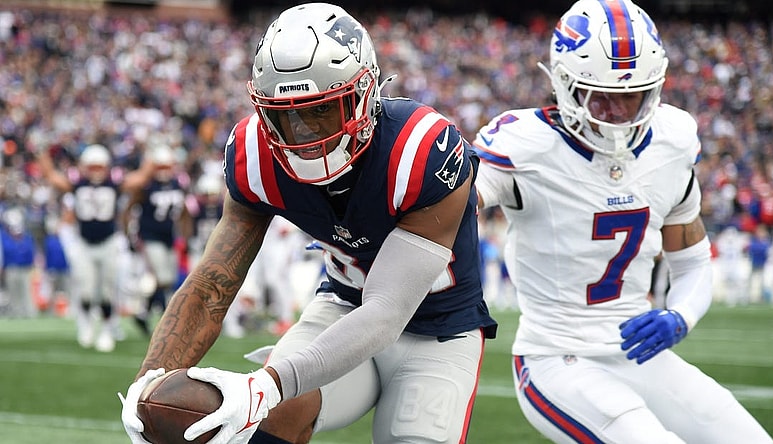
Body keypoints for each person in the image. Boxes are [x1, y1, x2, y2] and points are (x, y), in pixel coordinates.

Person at [120, 4, 497, 444]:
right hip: (341, 306)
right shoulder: (255, 155)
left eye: (321, 111)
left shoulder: (423, 150)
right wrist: (147, 385)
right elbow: (212, 283)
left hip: (438, 328)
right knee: (268, 419)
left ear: (364, 95)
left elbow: (386, 312)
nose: (302, 134)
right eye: (284, 115)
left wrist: (266, 385)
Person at [472, 0, 773, 442]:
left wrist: (679, 316)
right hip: (556, 359)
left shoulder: (670, 143)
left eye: (630, 96)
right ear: (565, 84)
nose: (617, 112)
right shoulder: (526, 147)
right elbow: (452, 205)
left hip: (637, 353)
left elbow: (691, 262)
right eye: (603, 96)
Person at [37, 143, 148, 352]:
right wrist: (42, 154)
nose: (96, 171)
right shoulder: (77, 184)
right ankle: (87, 324)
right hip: (84, 243)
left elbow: (141, 178)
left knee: (107, 291)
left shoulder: (114, 184)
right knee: (86, 290)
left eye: (99, 167)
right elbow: (51, 176)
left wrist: (152, 155)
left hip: (108, 242)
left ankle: (106, 330)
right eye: (92, 167)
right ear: (85, 167)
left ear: (106, 166)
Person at [123, 144, 191, 336]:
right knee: (163, 277)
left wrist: (184, 237)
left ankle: (143, 312)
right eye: (160, 167)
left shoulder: (178, 184)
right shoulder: (146, 187)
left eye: (166, 167)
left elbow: (185, 212)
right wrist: (129, 234)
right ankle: (163, 315)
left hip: (169, 237)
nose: (164, 171)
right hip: (149, 235)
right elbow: (128, 209)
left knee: (167, 280)